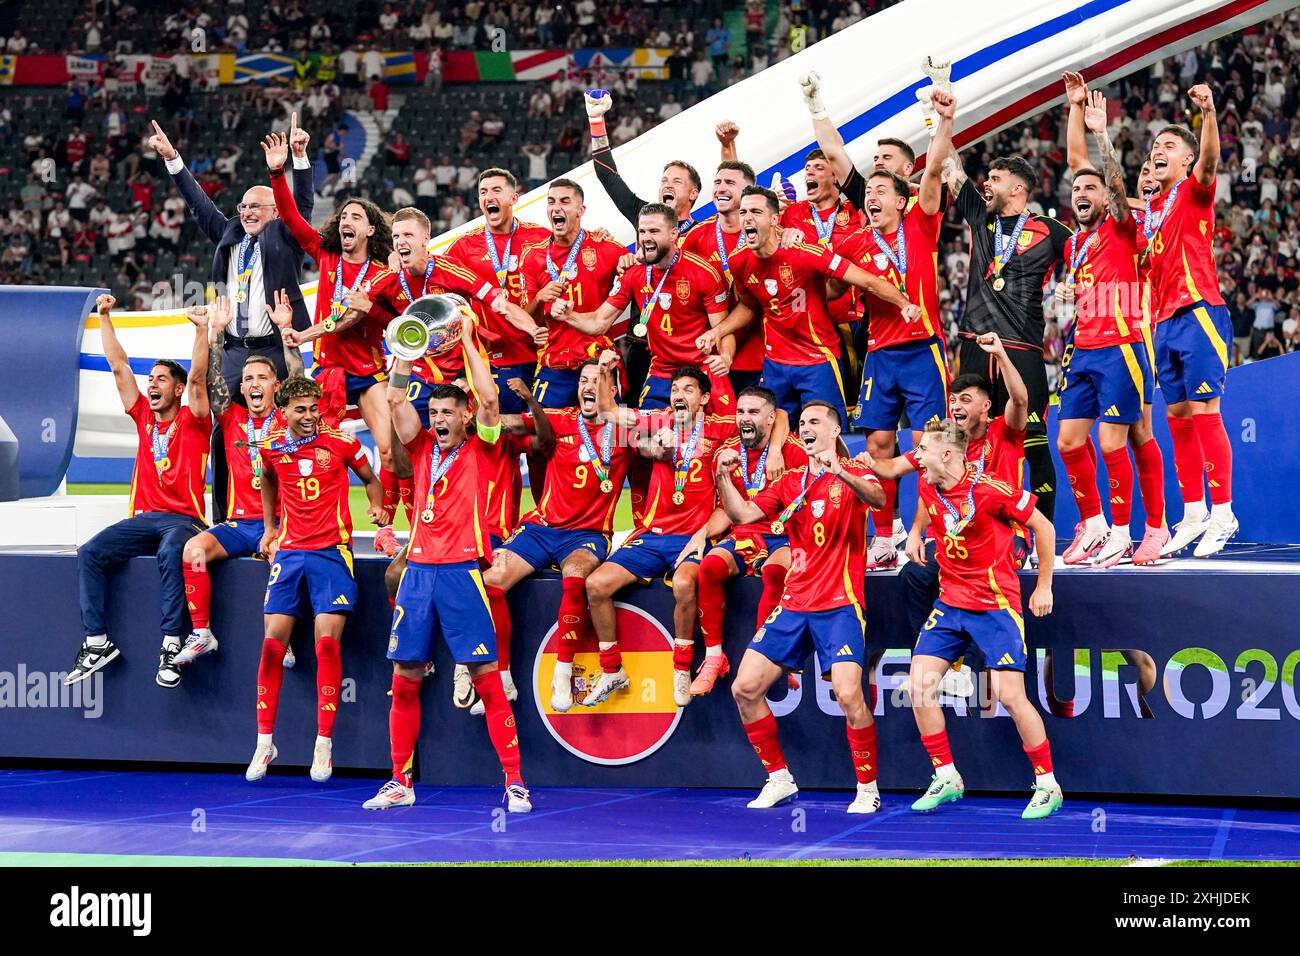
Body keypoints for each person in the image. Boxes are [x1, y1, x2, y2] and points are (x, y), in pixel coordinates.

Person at [364, 319, 532, 813]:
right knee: (405, 677)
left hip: (462, 573)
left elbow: (489, 399)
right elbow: (395, 402)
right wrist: (405, 347)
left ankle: (515, 782)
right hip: (417, 573)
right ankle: (400, 781)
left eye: (446, 413)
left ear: (463, 418)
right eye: (433, 412)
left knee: (486, 674)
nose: (437, 420)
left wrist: (466, 340)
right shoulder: (418, 449)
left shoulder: (483, 444)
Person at [716, 401, 887, 813]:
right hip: (794, 602)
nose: (805, 428)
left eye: (814, 423)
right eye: (803, 423)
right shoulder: (790, 480)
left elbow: (880, 499)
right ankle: (779, 779)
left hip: (840, 603)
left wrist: (841, 470)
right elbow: (742, 514)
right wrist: (722, 476)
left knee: (849, 694)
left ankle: (868, 788)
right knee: (744, 688)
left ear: (833, 431)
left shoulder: (855, 470)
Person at [151, 116, 314, 523]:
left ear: (276, 211)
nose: (245, 212)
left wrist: (299, 159)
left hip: (276, 349)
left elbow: (304, 208)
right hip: (235, 350)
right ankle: (227, 517)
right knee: (226, 432)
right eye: (241, 206)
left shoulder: (285, 236)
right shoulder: (228, 234)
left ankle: (293, 517)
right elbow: (198, 203)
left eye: (254, 207)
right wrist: (174, 160)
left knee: (287, 427)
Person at [904, 419, 1061, 820]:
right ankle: (946, 776)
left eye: (923, 451)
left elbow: (1043, 526)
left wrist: (1043, 586)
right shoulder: (927, 484)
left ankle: (1047, 784)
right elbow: (923, 504)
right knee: (918, 685)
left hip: (994, 604)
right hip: (950, 603)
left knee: (1010, 695)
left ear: (948, 455)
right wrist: (916, 532)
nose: (916, 457)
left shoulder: (991, 490)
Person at [262, 131, 406, 557]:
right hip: (328, 373)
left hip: (368, 372)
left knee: (389, 448)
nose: (348, 220)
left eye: (357, 217)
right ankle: (297, 526)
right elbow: (289, 216)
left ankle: (387, 526)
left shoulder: (383, 275)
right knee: (308, 449)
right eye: (345, 216)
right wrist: (278, 171)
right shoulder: (325, 256)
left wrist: (311, 332)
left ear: (371, 229)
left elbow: (396, 322)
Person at [362, 206, 538, 539]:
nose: (401, 241)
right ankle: (404, 527)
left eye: (408, 235)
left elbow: (498, 302)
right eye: (396, 236)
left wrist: (531, 329)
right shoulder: (387, 278)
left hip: (463, 374)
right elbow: (354, 307)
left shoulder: (452, 271)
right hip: (421, 371)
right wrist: (306, 334)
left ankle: (498, 525)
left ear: (426, 239)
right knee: (401, 448)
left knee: (490, 447)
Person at [246, 377, 388, 784]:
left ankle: (323, 744)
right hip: (290, 553)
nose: (309, 416)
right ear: (284, 410)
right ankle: (264, 742)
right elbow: (269, 479)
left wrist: (378, 508)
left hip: (332, 553)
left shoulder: (341, 442)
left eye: (314, 408)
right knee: (272, 645)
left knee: (326, 645)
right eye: (300, 410)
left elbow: (371, 478)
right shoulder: (272, 445)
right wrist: (270, 527)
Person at [65, 295, 212, 689]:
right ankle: (96, 643)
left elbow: (198, 378)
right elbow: (119, 367)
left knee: (170, 551)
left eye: (161, 379)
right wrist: (105, 316)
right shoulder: (144, 416)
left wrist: (202, 331)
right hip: (144, 518)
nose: (152, 384)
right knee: (90, 553)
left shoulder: (195, 420)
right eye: (151, 380)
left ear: (178, 389)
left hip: (185, 521)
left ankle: (170, 644)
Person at [839, 88, 955, 569]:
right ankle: (884, 536)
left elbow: (931, 172)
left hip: (923, 350)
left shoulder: (922, 225)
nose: (871, 197)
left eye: (881, 191)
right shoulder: (853, 241)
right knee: (878, 446)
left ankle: (934, 530)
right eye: (868, 193)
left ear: (902, 200)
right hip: (880, 354)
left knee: (933, 444)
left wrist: (942, 124)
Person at [484, 360, 638, 712]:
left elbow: (667, 437)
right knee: (491, 582)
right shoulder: (559, 418)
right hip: (541, 528)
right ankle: (503, 675)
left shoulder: (626, 429)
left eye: (598, 380)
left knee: (575, 578)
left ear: (612, 392)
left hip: (587, 534)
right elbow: (504, 424)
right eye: (584, 379)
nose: (588, 385)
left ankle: (562, 673)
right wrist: (481, 409)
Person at [1053, 90, 1165, 567]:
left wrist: (1100, 132)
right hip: (1082, 349)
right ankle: (1096, 524)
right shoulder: (1074, 244)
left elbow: (1112, 187)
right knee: (1068, 441)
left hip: (1126, 342)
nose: (1081, 195)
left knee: (1129, 437)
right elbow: (1080, 167)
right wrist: (1074, 109)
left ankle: (1135, 529)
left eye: (1090, 190)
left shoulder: (1124, 223)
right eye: (1075, 190)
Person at [585, 361, 737, 708]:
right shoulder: (659, 421)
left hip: (695, 536)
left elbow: (776, 419)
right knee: (595, 586)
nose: (679, 396)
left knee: (685, 584)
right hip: (652, 536)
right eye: (674, 390)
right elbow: (609, 412)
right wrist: (608, 373)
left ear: (704, 398)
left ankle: (681, 670)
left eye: (688, 390)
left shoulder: (721, 429)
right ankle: (612, 670)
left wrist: (771, 450)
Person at [701, 186, 918, 426]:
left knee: (828, 436)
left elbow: (866, 279)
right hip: (775, 363)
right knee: (774, 437)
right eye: (743, 212)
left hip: (818, 359)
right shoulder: (738, 260)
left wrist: (904, 303)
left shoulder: (804, 252)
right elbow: (750, 306)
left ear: (774, 219)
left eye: (755, 211)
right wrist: (716, 332)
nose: (747, 218)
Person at [945, 140, 1072, 529]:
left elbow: (1091, 260)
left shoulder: (1051, 230)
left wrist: (1076, 286)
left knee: (1033, 444)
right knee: (963, 439)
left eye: (996, 179)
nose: (987, 184)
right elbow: (952, 170)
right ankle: (966, 524)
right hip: (974, 347)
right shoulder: (980, 219)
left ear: (1017, 188)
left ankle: (1040, 532)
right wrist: (941, 114)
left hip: (1021, 350)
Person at [175, 292, 304, 668]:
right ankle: (202, 633)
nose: (254, 384)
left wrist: (284, 330)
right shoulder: (230, 418)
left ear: (275, 387)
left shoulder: (289, 420)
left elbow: (298, 379)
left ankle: (284, 640)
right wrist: (215, 332)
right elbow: (210, 380)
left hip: (281, 524)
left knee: (281, 555)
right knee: (193, 551)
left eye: (262, 377)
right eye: (248, 379)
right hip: (238, 523)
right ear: (243, 388)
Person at [1144, 85, 1237, 557]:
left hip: (1199, 310)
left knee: (1205, 413)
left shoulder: (1192, 190)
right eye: (1155, 146)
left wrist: (1208, 116)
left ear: (1185, 161)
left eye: (1168, 146)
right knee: (1178, 418)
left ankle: (1223, 513)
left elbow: (1212, 160)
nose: (1158, 151)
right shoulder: (1154, 210)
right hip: (1164, 323)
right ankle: (1195, 512)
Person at [559, 203, 734, 410]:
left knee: (728, 431)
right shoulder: (634, 273)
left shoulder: (703, 272)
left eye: (654, 231)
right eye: (642, 231)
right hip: (662, 370)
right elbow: (599, 322)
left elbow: (723, 331)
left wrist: (725, 357)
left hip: (701, 368)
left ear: (673, 234)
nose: (646, 237)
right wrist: (568, 316)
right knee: (645, 438)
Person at [692, 385, 807, 696]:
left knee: (775, 572)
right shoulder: (726, 452)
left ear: (771, 418)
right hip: (744, 533)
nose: (745, 418)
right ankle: (715, 657)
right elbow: (727, 511)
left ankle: (768, 658)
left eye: (753, 412)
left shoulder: (795, 450)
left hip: (784, 536)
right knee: (709, 568)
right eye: (741, 411)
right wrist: (703, 532)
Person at [443, 167, 551, 416]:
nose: (488, 196)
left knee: (542, 440)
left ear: (514, 198)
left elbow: (575, 255)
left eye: (496, 190)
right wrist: (395, 256)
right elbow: (429, 272)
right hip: (498, 361)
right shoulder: (462, 248)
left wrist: (601, 234)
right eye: (483, 192)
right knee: (503, 440)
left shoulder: (542, 238)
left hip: (545, 358)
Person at [679, 132, 764, 393]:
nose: (720, 188)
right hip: (710, 356)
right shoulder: (695, 236)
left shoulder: (764, 234)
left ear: (747, 192)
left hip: (760, 350)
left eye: (729, 183)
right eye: (717, 182)